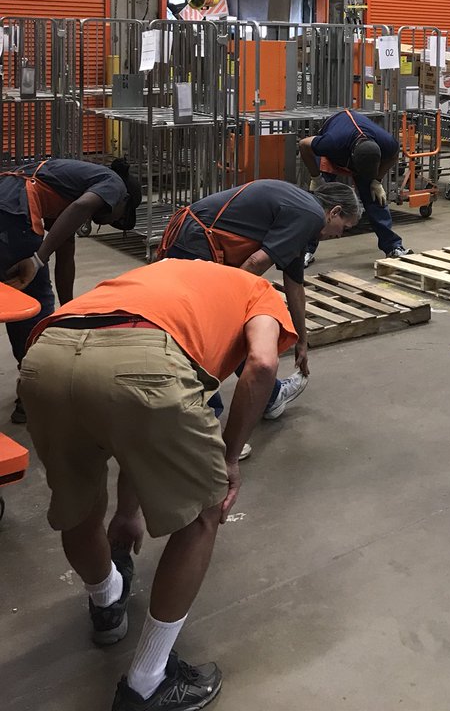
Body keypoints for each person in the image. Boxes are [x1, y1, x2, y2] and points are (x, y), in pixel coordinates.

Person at [19, 259, 297, 710]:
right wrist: (229, 458)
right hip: (147, 359)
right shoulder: (260, 293)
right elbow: (263, 364)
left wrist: (128, 513)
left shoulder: (163, 273)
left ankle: (106, 599)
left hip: (46, 355)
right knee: (203, 514)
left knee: (79, 505)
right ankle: (148, 681)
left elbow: (135, 427)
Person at [157, 179, 361, 426]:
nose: (340, 235)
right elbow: (255, 263)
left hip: (194, 236)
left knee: (231, 325)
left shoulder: (305, 213)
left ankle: (269, 397)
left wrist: (302, 341)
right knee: (205, 331)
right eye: (345, 227)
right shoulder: (310, 215)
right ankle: (203, 425)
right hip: (195, 241)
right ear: (335, 212)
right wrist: (227, 305)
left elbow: (294, 284)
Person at [0, 157, 141, 422]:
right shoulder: (113, 183)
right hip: (15, 211)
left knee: (11, 299)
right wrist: (37, 258)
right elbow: (82, 205)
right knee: (34, 304)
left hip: (7, 206)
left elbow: (65, 253)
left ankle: (32, 385)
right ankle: (35, 391)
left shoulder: (64, 187)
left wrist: (70, 312)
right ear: (120, 201)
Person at [299, 110, 411, 264]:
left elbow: (393, 155)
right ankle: (306, 250)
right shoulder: (331, 142)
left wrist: (376, 180)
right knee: (320, 203)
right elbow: (304, 145)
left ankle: (393, 247)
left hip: (360, 152)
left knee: (374, 197)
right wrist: (316, 177)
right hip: (333, 153)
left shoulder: (386, 142)